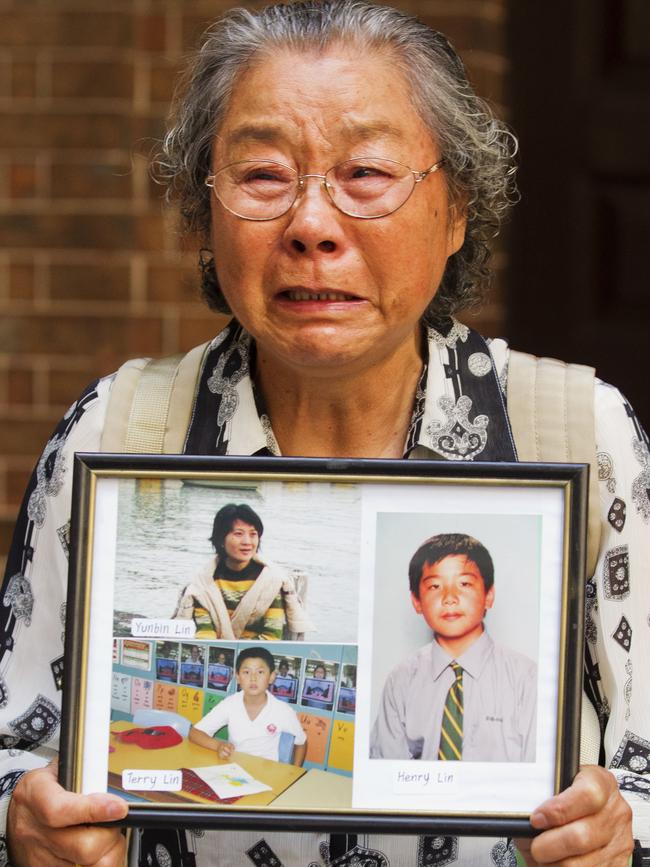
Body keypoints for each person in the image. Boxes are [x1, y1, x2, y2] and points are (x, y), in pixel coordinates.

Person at [2, 0, 645, 864]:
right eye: (264, 175)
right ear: (205, 212)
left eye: (367, 173)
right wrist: (20, 818)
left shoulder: (577, 435)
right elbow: (16, 738)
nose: (311, 225)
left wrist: (623, 833)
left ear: (456, 209)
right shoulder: (113, 432)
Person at [370, 533, 537, 762]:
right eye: (435, 586)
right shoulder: (401, 680)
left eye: (464, 584)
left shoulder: (526, 679)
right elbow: (385, 769)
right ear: (416, 601)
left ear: (489, 595)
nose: (450, 597)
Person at [172, 502, 311, 640]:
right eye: (238, 534)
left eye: (253, 534)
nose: (247, 542)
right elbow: (205, 633)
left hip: (256, 657)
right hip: (215, 654)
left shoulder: (271, 581)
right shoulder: (203, 582)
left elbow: (271, 635)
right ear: (221, 539)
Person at [189, 647, 307, 765]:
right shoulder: (230, 704)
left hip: (267, 773)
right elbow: (195, 733)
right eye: (246, 672)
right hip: (234, 769)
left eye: (260, 672)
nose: (253, 678)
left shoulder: (283, 711)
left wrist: (295, 771)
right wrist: (219, 746)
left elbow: (301, 742)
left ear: (271, 677)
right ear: (238, 677)